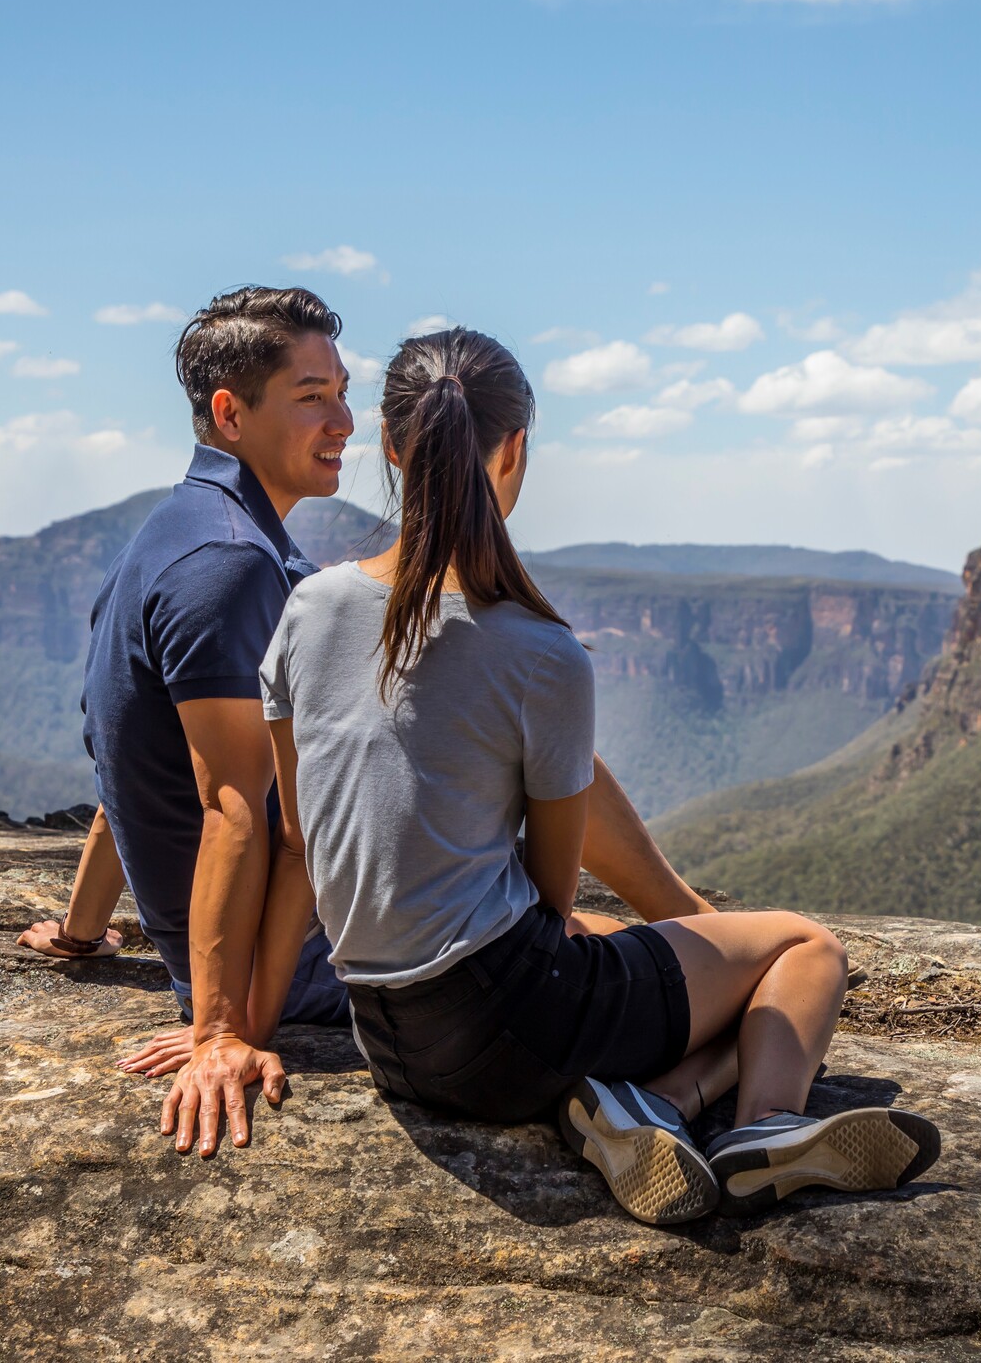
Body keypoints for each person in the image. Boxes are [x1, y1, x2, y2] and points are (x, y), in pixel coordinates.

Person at [232, 326, 941, 1223]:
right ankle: (758, 1124)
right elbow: (552, 897)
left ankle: (638, 1103)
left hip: (388, 1035)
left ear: (387, 445)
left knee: (630, 944)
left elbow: (299, 839)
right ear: (515, 450)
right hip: (512, 1035)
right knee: (803, 952)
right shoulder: (539, 651)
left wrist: (234, 1031)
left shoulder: (310, 607)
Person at [22, 287, 721, 1122]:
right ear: (229, 414)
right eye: (311, 398)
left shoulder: (176, 534)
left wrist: (80, 932)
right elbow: (231, 806)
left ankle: (694, 925)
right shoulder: (233, 566)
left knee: (521, 731)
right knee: (675, 950)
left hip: (311, 924)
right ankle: (698, 936)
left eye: (345, 393)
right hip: (311, 962)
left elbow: (127, 762)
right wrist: (219, 1029)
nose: (343, 423)